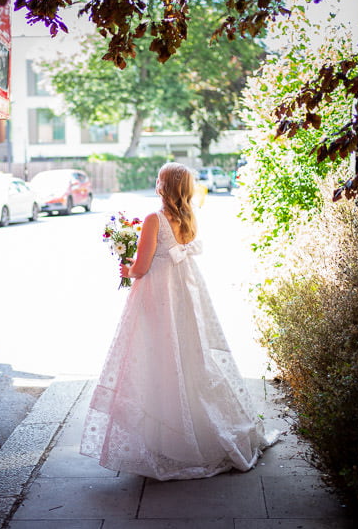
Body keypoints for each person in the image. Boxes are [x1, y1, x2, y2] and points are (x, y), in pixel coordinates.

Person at [80, 162, 278, 480]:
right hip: (186, 292)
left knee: (158, 357)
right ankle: (194, 431)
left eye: (159, 178)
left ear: (165, 186)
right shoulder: (189, 216)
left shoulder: (153, 219)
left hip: (158, 295)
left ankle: (167, 436)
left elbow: (142, 267)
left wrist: (126, 268)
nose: (155, 181)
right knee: (190, 354)